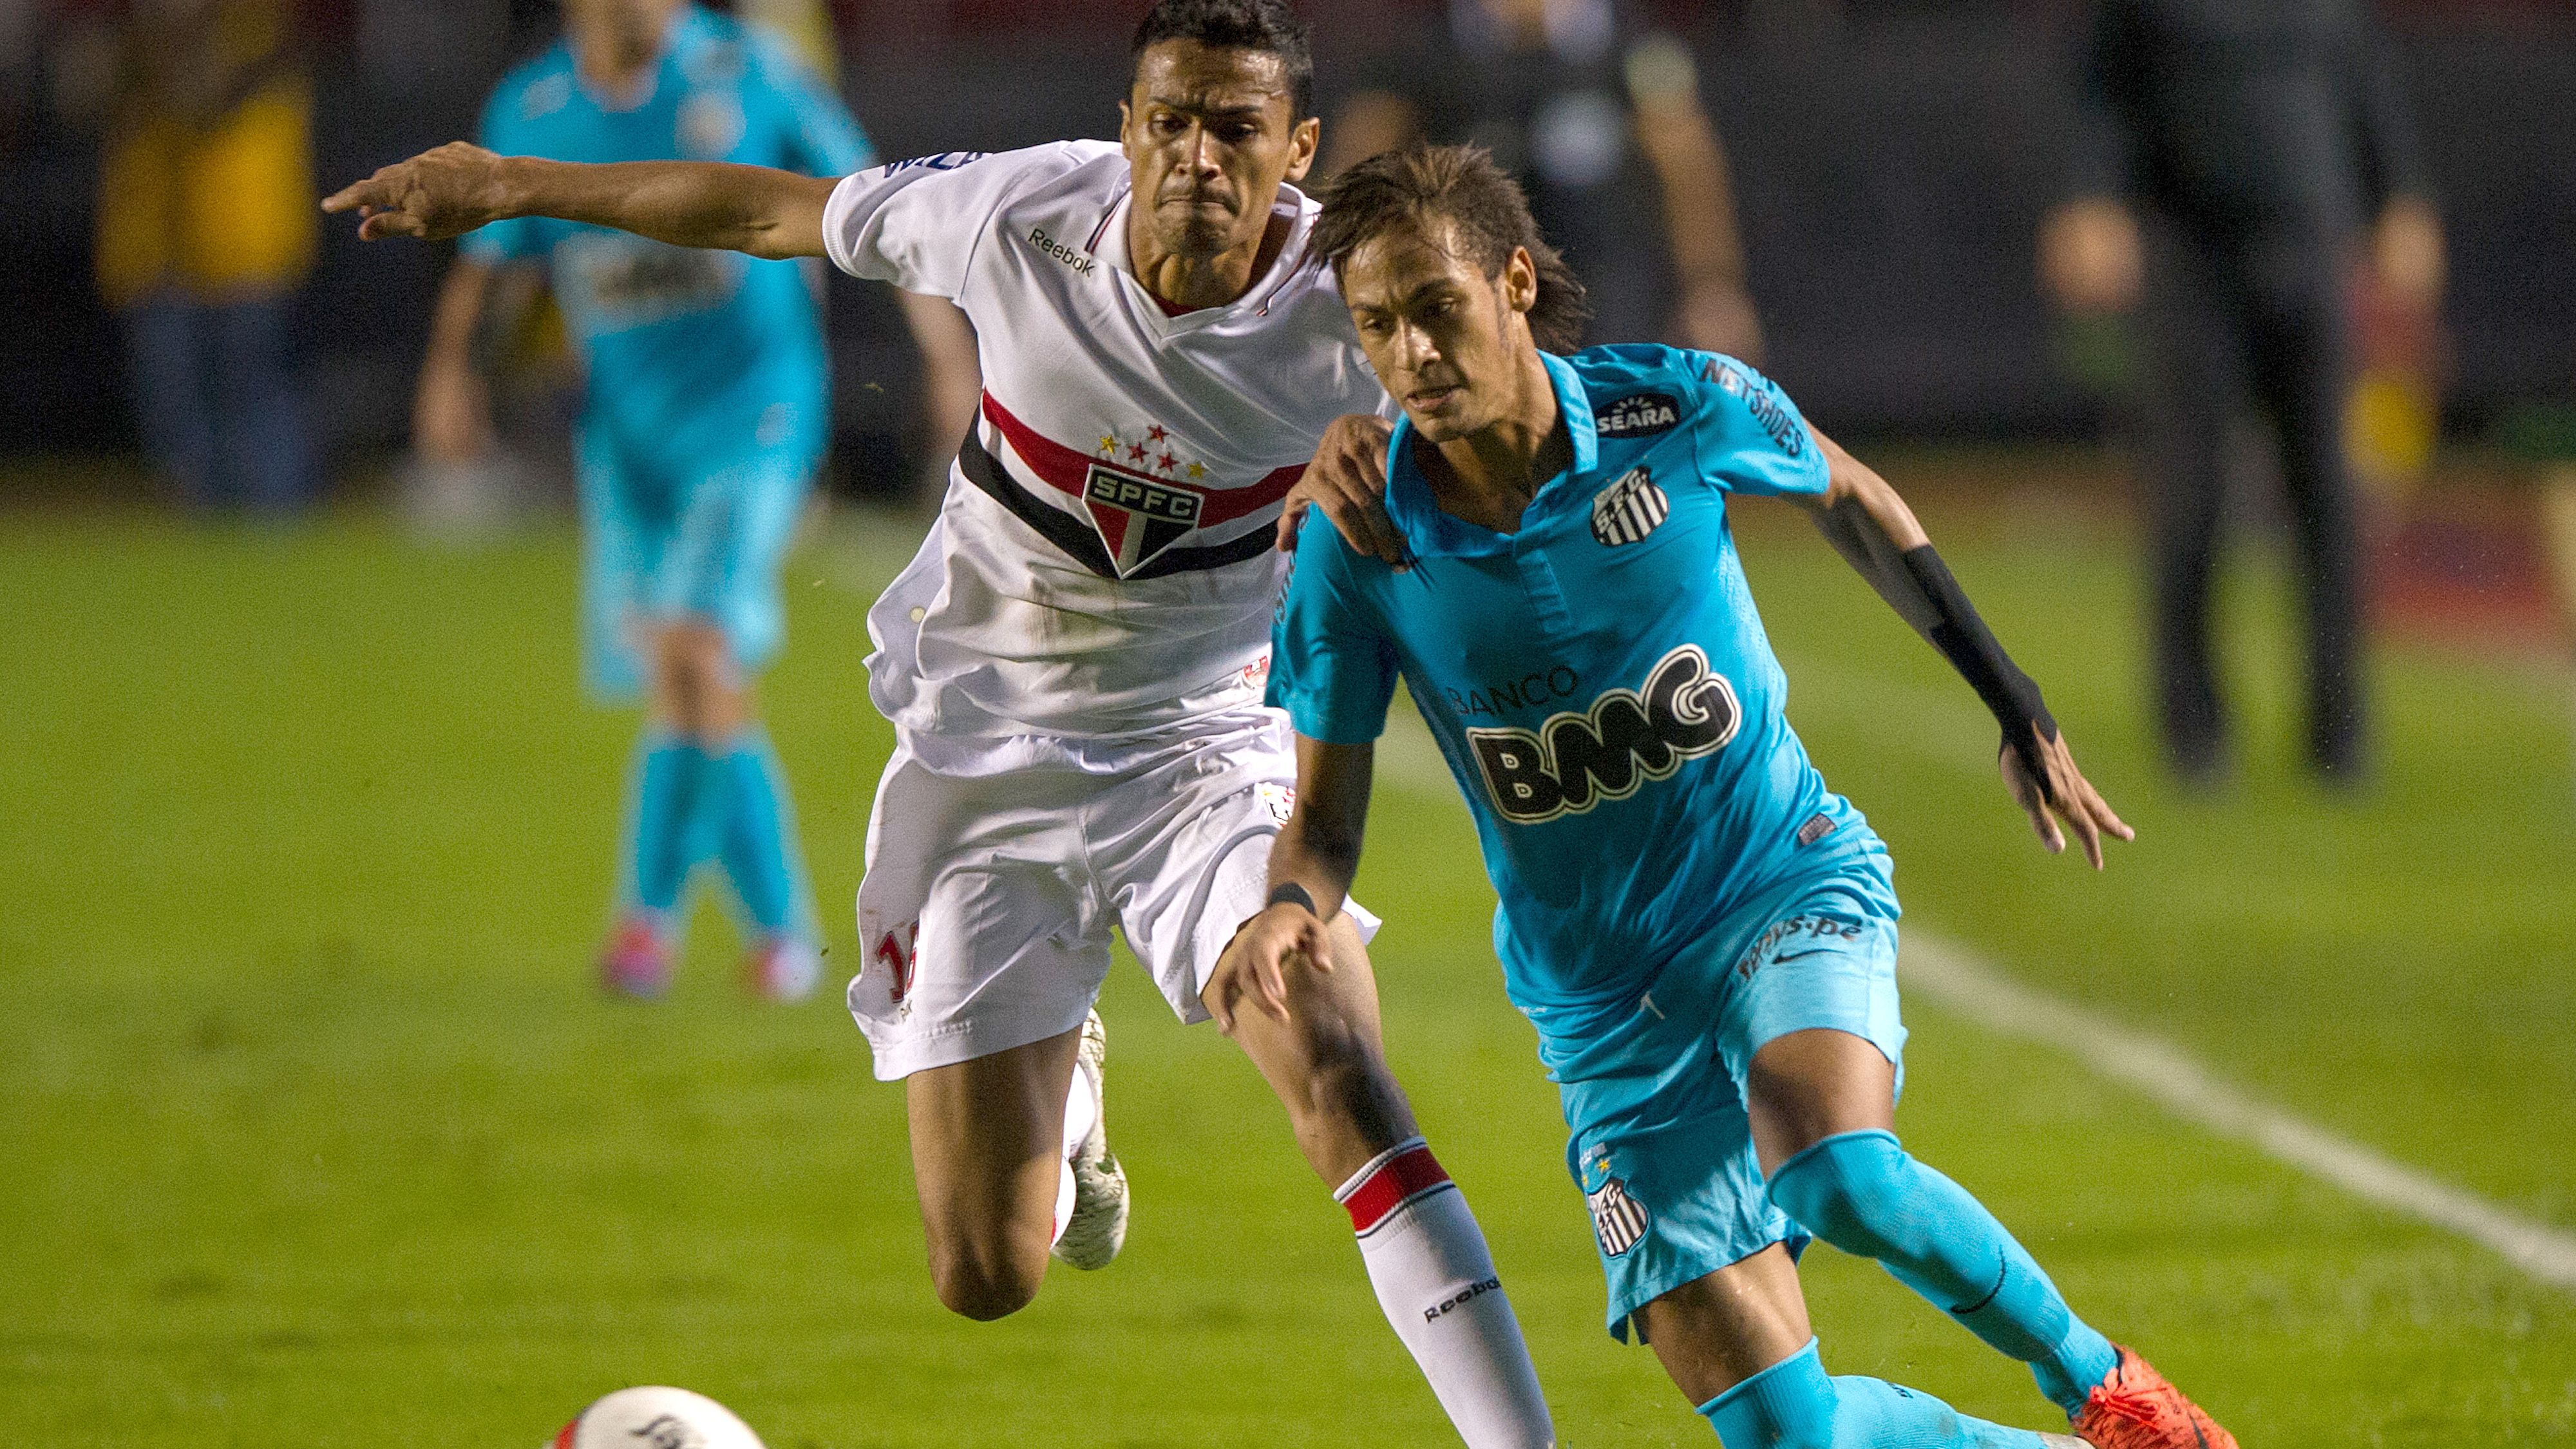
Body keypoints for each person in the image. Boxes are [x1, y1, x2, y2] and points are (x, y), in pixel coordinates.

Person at [326, 5, 1558, 1444]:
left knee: (1334, 1053)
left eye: (1235, 129)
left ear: (1293, 150)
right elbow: (759, 209)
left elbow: (1517, 393)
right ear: (1126, 129)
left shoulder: (1343, 308)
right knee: (986, 1274)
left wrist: (1427, 467)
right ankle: (1070, 1099)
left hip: (1202, 752)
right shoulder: (1017, 215)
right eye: (1169, 120)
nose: (1196, 158)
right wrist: (511, 180)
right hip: (987, 754)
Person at [1227, 145, 2236, 1449]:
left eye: (1435, 307)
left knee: (1836, 1170)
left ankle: (2103, 1390)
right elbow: (1323, 820)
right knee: (1788, 1437)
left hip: (1777, 881)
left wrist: (2012, 697)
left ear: (1514, 283)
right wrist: (1284, 908)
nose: (1410, 352)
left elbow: (1852, 498)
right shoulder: (1358, 544)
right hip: (1599, 1006)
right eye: (1376, 326)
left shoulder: (1675, 407)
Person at [409, 0, 977, 1001]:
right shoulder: (535, 105)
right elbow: (493, 257)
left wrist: (942, 353)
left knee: (693, 647)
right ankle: (735, 933)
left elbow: (878, 201)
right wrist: (452, 371)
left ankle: (687, 930)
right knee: (687, 680)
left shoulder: (744, 68)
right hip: (628, 442)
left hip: (757, 416)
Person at [2039, 0, 2443, 786]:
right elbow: (2102, 95)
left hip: (2311, 249)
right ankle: (2194, 735)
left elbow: (2362, 81)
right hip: (2195, 258)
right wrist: (2087, 199)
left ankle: (2339, 736)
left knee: (2328, 498)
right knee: (2192, 500)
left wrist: (2402, 194)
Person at [1323, 0, 1761, 359]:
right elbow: (1359, 165)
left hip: (1610, 297)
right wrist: (1330, 287)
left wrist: (1712, 286)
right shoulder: (1422, 54)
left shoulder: (1634, 47)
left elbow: (1687, 166)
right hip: (1472, 297)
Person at [95, 0, 317, 512]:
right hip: (164, 250)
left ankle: (278, 535)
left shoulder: (256, 27)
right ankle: (206, 542)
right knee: (179, 410)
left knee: (257, 401)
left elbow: (202, 98)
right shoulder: (137, 38)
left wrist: (163, 39)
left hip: (245, 246)